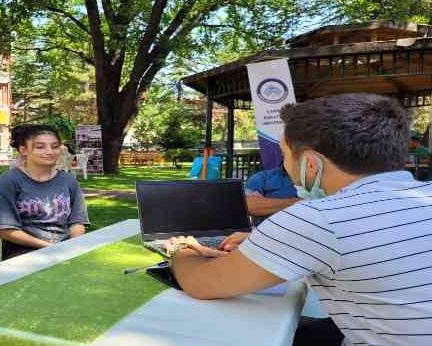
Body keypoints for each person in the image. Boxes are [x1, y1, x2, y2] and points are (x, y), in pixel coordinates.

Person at [166, 93, 432, 346]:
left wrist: (180, 249)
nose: (284, 164)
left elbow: (202, 283)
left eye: (284, 154)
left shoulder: (318, 219)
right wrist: (271, 244)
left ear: (311, 164)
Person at [0, 125, 89, 259]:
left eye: (55, 146)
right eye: (40, 147)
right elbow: (5, 230)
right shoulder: (9, 181)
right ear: (23, 150)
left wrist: (73, 246)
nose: (49, 152)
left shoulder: (68, 180)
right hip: (24, 251)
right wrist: (50, 248)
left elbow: (77, 221)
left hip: (65, 246)